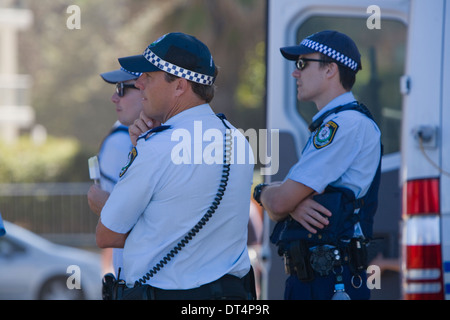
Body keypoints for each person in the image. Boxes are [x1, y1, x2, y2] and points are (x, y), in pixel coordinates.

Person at [94, 32, 256, 300]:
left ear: (180, 86)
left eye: (149, 75)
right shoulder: (238, 139)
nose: (139, 83)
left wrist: (103, 203)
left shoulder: (157, 147)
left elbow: (107, 235)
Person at [253, 30, 382, 300]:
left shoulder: (344, 125)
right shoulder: (335, 123)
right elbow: (284, 202)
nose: (295, 73)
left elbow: (278, 204)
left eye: (302, 63)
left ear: (330, 69)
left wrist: (262, 193)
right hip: (318, 278)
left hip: (331, 281)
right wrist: (290, 203)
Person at [87, 67, 142, 276]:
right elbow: (110, 227)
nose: (113, 98)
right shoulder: (120, 140)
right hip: (133, 275)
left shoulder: (126, 137)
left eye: (121, 89)